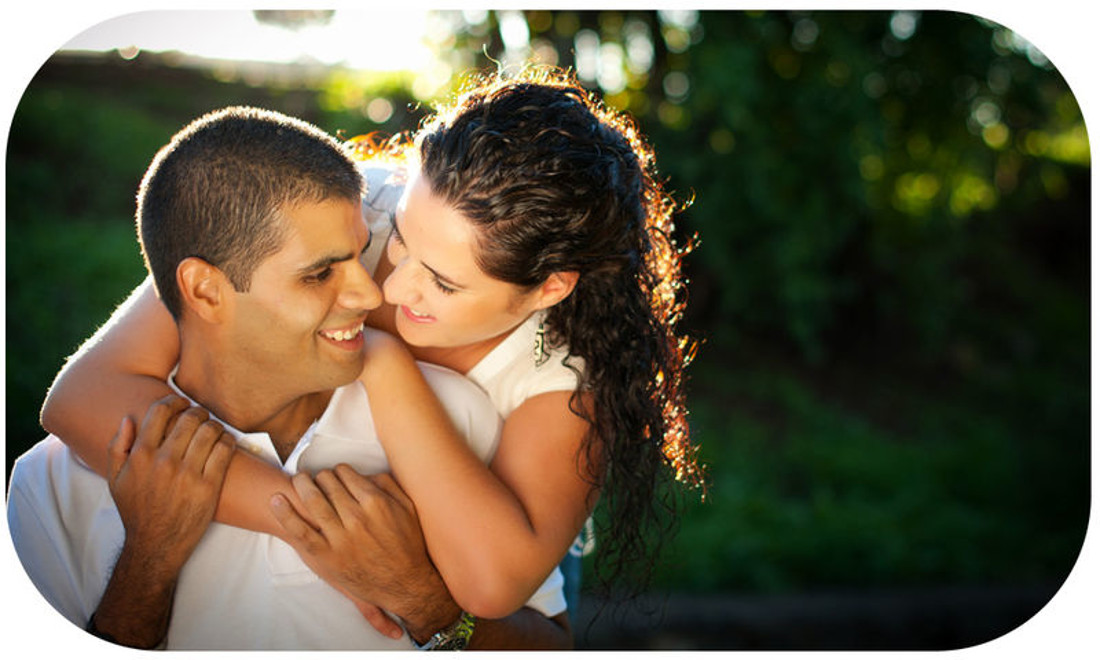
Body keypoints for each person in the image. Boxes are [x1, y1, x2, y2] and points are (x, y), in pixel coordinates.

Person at [40, 66, 704, 630]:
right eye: (404, 240)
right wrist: (302, 521)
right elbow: (83, 400)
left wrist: (384, 364)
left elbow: (491, 585)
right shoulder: (353, 209)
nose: (391, 282)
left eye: (443, 282)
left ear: (547, 289)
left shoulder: (562, 378)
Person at [8, 105, 571, 650]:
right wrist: (150, 558)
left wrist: (421, 595)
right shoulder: (57, 481)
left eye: (362, 254)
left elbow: (538, 631)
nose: (377, 293)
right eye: (320, 273)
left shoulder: (461, 415)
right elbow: (79, 395)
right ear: (206, 291)